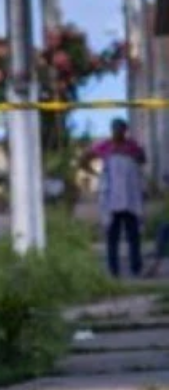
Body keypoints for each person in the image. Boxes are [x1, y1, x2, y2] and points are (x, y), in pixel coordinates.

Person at [83, 119, 147, 277]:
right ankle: (113, 270)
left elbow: (143, 159)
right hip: (111, 199)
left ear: (125, 130)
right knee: (113, 237)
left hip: (130, 199)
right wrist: (97, 175)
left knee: (134, 236)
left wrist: (135, 154)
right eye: (115, 130)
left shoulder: (132, 146)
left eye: (121, 130)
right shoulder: (105, 146)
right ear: (112, 130)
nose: (118, 133)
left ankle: (136, 268)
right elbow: (85, 159)